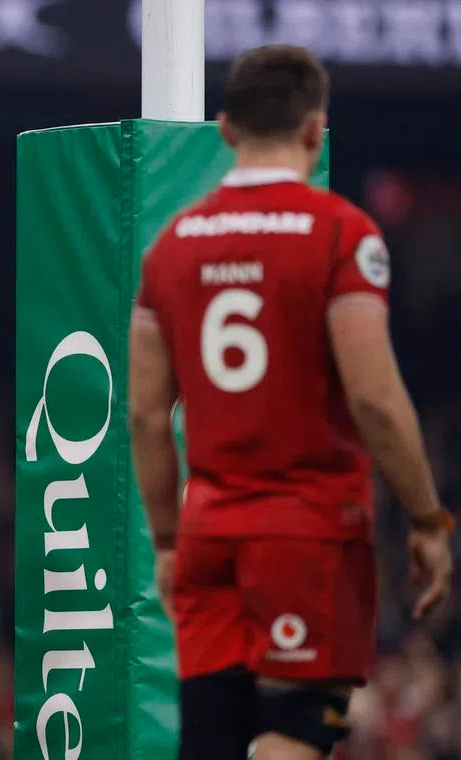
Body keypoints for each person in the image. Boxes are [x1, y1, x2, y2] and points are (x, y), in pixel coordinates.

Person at [129, 45, 455, 760]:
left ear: (224, 129)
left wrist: (163, 540)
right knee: (296, 733)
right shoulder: (341, 236)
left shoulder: (171, 249)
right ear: (315, 130)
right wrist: (429, 519)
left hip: (208, 532)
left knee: (212, 740)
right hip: (305, 534)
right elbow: (373, 397)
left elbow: (147, 416)